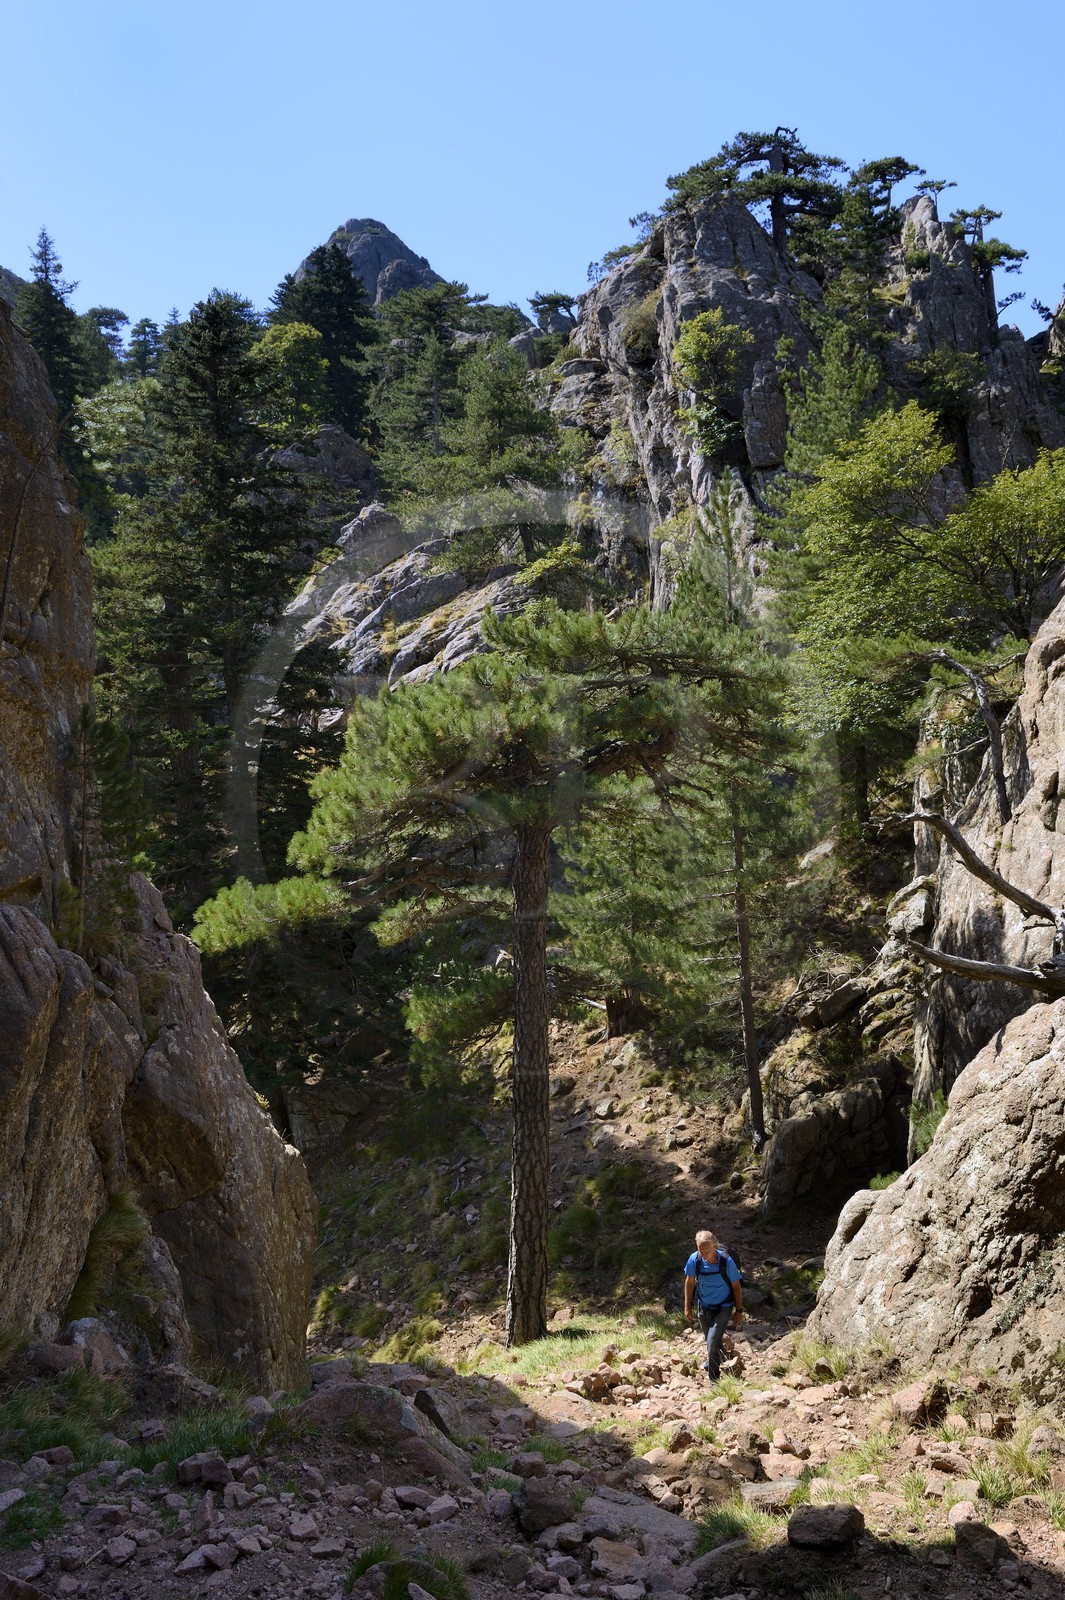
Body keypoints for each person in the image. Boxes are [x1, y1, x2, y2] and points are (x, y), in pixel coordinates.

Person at [683, 1229, 743, 1380]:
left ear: (715, 1245)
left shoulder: (726, 1261)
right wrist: (687, 1306)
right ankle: (720, 1358)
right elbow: (689, 1282)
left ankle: (714, 1378)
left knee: (711, 1342)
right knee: (711, 1341)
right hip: (703, 1306)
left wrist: (739, 1310)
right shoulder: (694, 1259)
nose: (703, 1253)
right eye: (700, 1249)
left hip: (724, 1306)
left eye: (707, 1249)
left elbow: (736, 1286)